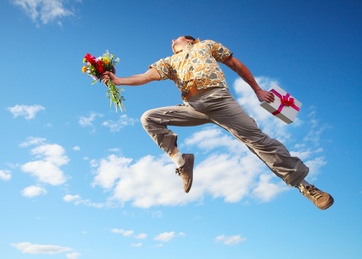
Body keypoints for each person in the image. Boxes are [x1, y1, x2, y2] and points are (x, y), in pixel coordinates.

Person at [101, 35, 334, 210]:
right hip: (192, 107)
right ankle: (182, 161)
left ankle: (305, 186)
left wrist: (257, 90)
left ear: (190, 40)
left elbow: (235, 65)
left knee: (258, 141)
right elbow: (145, 77)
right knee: (149, 118)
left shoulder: (206, 45)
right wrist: (118, 80)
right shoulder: (169, 62)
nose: (172, 40)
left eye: (177, 38)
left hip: (220, 100)